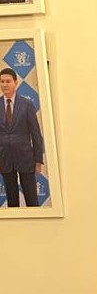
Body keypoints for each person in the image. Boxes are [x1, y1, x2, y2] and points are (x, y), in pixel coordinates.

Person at [0, 67, 43, 208]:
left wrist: (38, 160)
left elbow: (36, 134)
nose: (4, 84)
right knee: (12, 202)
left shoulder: (27, 104)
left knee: (32, 200)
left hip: (26, 159)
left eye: (8, 81)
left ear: (15, 82)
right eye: (2, 81)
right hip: (5, 160)